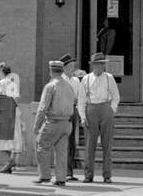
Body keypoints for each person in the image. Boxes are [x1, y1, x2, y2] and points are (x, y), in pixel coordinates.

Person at [33, 55, 78, 185]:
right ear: (62, 71)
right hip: (67, 123)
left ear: (51, 71)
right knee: (62, 151)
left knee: (42, 145)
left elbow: (42, 108)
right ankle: (60, 179)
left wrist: (37, 126)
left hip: (53, 122)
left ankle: (45, 175)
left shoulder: (50, 86)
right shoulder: (69, 87)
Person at [80, 52, 120, 182]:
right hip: (91, 109)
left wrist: (111, 110)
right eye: (98, 64)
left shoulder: (109, 78)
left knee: (107, 144)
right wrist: (82, 116)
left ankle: (107, 175)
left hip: (105, 108)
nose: (101, 67)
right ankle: (88, 175)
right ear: (93, 65)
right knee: (90, 145)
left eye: (102, 64)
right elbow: (81, 99)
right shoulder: (86, 79)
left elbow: (116, 96)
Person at [0, 62, 22, 173]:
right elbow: (16, 99)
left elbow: (1, 98)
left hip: (5, 113)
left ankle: (10, 161)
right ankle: (9, 165)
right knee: (13, 140)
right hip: (14, 112)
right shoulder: (12, 82)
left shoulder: (1, 83)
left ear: (1, 71)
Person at [65, 62, 86, 180]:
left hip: (72, 110)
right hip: (62, 110)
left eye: (73, 66)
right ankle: (63, 171)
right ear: (65, 67)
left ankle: (69, 172)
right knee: (63, 141)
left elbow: (79, 96)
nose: (73, 68)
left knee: (71, 141)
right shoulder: (59, 79)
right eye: (70, 66)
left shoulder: (76, 81)